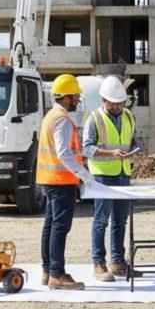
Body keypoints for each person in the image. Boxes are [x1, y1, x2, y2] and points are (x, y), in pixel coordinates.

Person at [83, 75, 140, 282]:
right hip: (102, 176)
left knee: (120, 221)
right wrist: (110, 154)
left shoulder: (129, 117)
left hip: (123, 173)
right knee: (101, 221)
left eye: (121, 103)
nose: (118, 107)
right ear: (103, 100)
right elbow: (86, 149)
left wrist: (135, 152)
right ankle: (99, 263)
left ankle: (117, 262)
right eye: (113, 103)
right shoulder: (94, 119)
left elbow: (133, 142)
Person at [36, 74, 91, 290]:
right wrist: (84, 174)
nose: (77, 99)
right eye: (75, 95)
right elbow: (64, 153)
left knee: (50, 225)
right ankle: (57, 274)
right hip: (61, 181)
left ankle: (48, 270)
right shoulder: (62, 120)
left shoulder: (51, 116)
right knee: (60, 227)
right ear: (66, 96)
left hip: (50, 180)